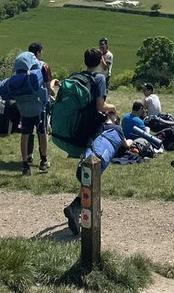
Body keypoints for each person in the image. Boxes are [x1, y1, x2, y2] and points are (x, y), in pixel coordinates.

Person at [63, 47, 116, 236]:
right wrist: (114, 107)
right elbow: (100, 106)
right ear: (101, 59)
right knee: (93, 169)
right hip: (92, 129)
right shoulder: (99, 79)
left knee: (89, 168)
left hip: (78, 127)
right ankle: (80, 206)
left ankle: (83, 205)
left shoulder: (78, 76)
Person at [21, 43, 53, 174]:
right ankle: (43, 161)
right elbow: (48, 87)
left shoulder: (23, 67)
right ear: (38, 53)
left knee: (25, 134)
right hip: (39, 106)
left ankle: (25, 163)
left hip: (24, 105)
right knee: (42, 132)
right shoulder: (43, 66)